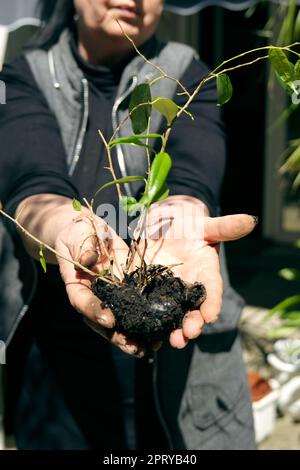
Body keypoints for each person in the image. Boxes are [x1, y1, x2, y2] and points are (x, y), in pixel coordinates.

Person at [0, 0, 257, 450]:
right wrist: (64, 228)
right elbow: (32, 180)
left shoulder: (188, 73)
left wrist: (182, 209)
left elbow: (193, 170)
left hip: (184, 379)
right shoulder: (21, 76)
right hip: (58, 377)